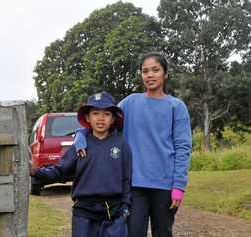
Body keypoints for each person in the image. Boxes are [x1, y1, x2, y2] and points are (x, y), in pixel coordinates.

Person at [75, 52, 192, 237]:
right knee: (134, 233)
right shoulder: (130, 102)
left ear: (165, 74)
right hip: (134, 185)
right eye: (145, 71)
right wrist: (81, 135)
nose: (150, 75)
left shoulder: (176, 107)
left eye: (155, 70)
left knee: (163, 232)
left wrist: (179, 185)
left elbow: (183, 148)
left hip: (165, 185)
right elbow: (103, 119)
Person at [30, 91, 132, 237]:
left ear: (113, 118)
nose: (101, 118)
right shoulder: (79, 146)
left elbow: (127, 178)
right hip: (84, 213)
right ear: (87, 117)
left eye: (107, 114)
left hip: (113, 213)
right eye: (95, 113)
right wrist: (35, 171)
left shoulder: (121, 144)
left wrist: (125, 207)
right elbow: (60, 170)